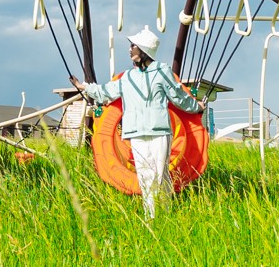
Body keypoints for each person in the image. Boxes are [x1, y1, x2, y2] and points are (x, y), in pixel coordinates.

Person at [73, 28, 203, 219]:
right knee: (145, 176)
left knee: (159, 175)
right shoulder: (127, 78)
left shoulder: (162, 71)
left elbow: (178, 96)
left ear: (144, 50)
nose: (129, 49)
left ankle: (164, 214)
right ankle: (150, 216)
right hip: (135, 133)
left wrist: (196, 107)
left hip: (159, 132)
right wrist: (84, 87)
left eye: (133, 46)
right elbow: (105, 91)